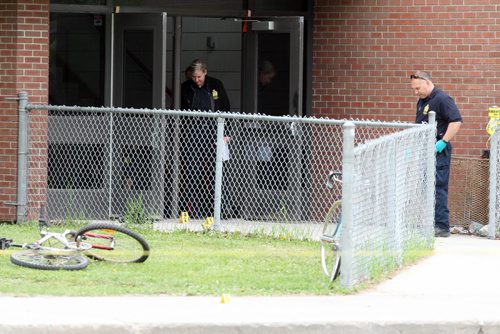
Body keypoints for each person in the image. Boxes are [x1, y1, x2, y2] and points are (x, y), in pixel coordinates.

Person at [410, 70, 462, 237]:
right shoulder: (422, 101)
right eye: (414, 89)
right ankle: (431, 223)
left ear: (427, 82)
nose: (416, 92)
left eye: (418, 88)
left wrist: (443, 142)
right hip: (424, 151)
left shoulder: (442, 99)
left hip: (439, 151)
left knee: (438, 187)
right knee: (427, 188)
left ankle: (441, 226)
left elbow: (456, 121)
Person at [179, 59, 231, 218]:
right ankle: (194, 209)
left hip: (213, 133)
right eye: (194, 77)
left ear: (205, 73)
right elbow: (181, 111)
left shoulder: (215, 85)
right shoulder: (186, 88)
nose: (197, 80)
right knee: (192, 171)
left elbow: (225, 108)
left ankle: (219, 211)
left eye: (199, 77)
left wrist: (226, 133)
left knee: (217, 172)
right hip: (192, 134)